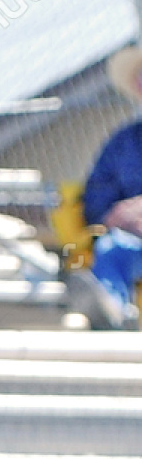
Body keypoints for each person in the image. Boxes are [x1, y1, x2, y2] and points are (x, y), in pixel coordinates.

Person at [78, 45, 142, 330]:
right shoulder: (123, 142)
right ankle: (115, 318)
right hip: (134, 242)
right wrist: (114, 216)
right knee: (111, 249)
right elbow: (96, 197)